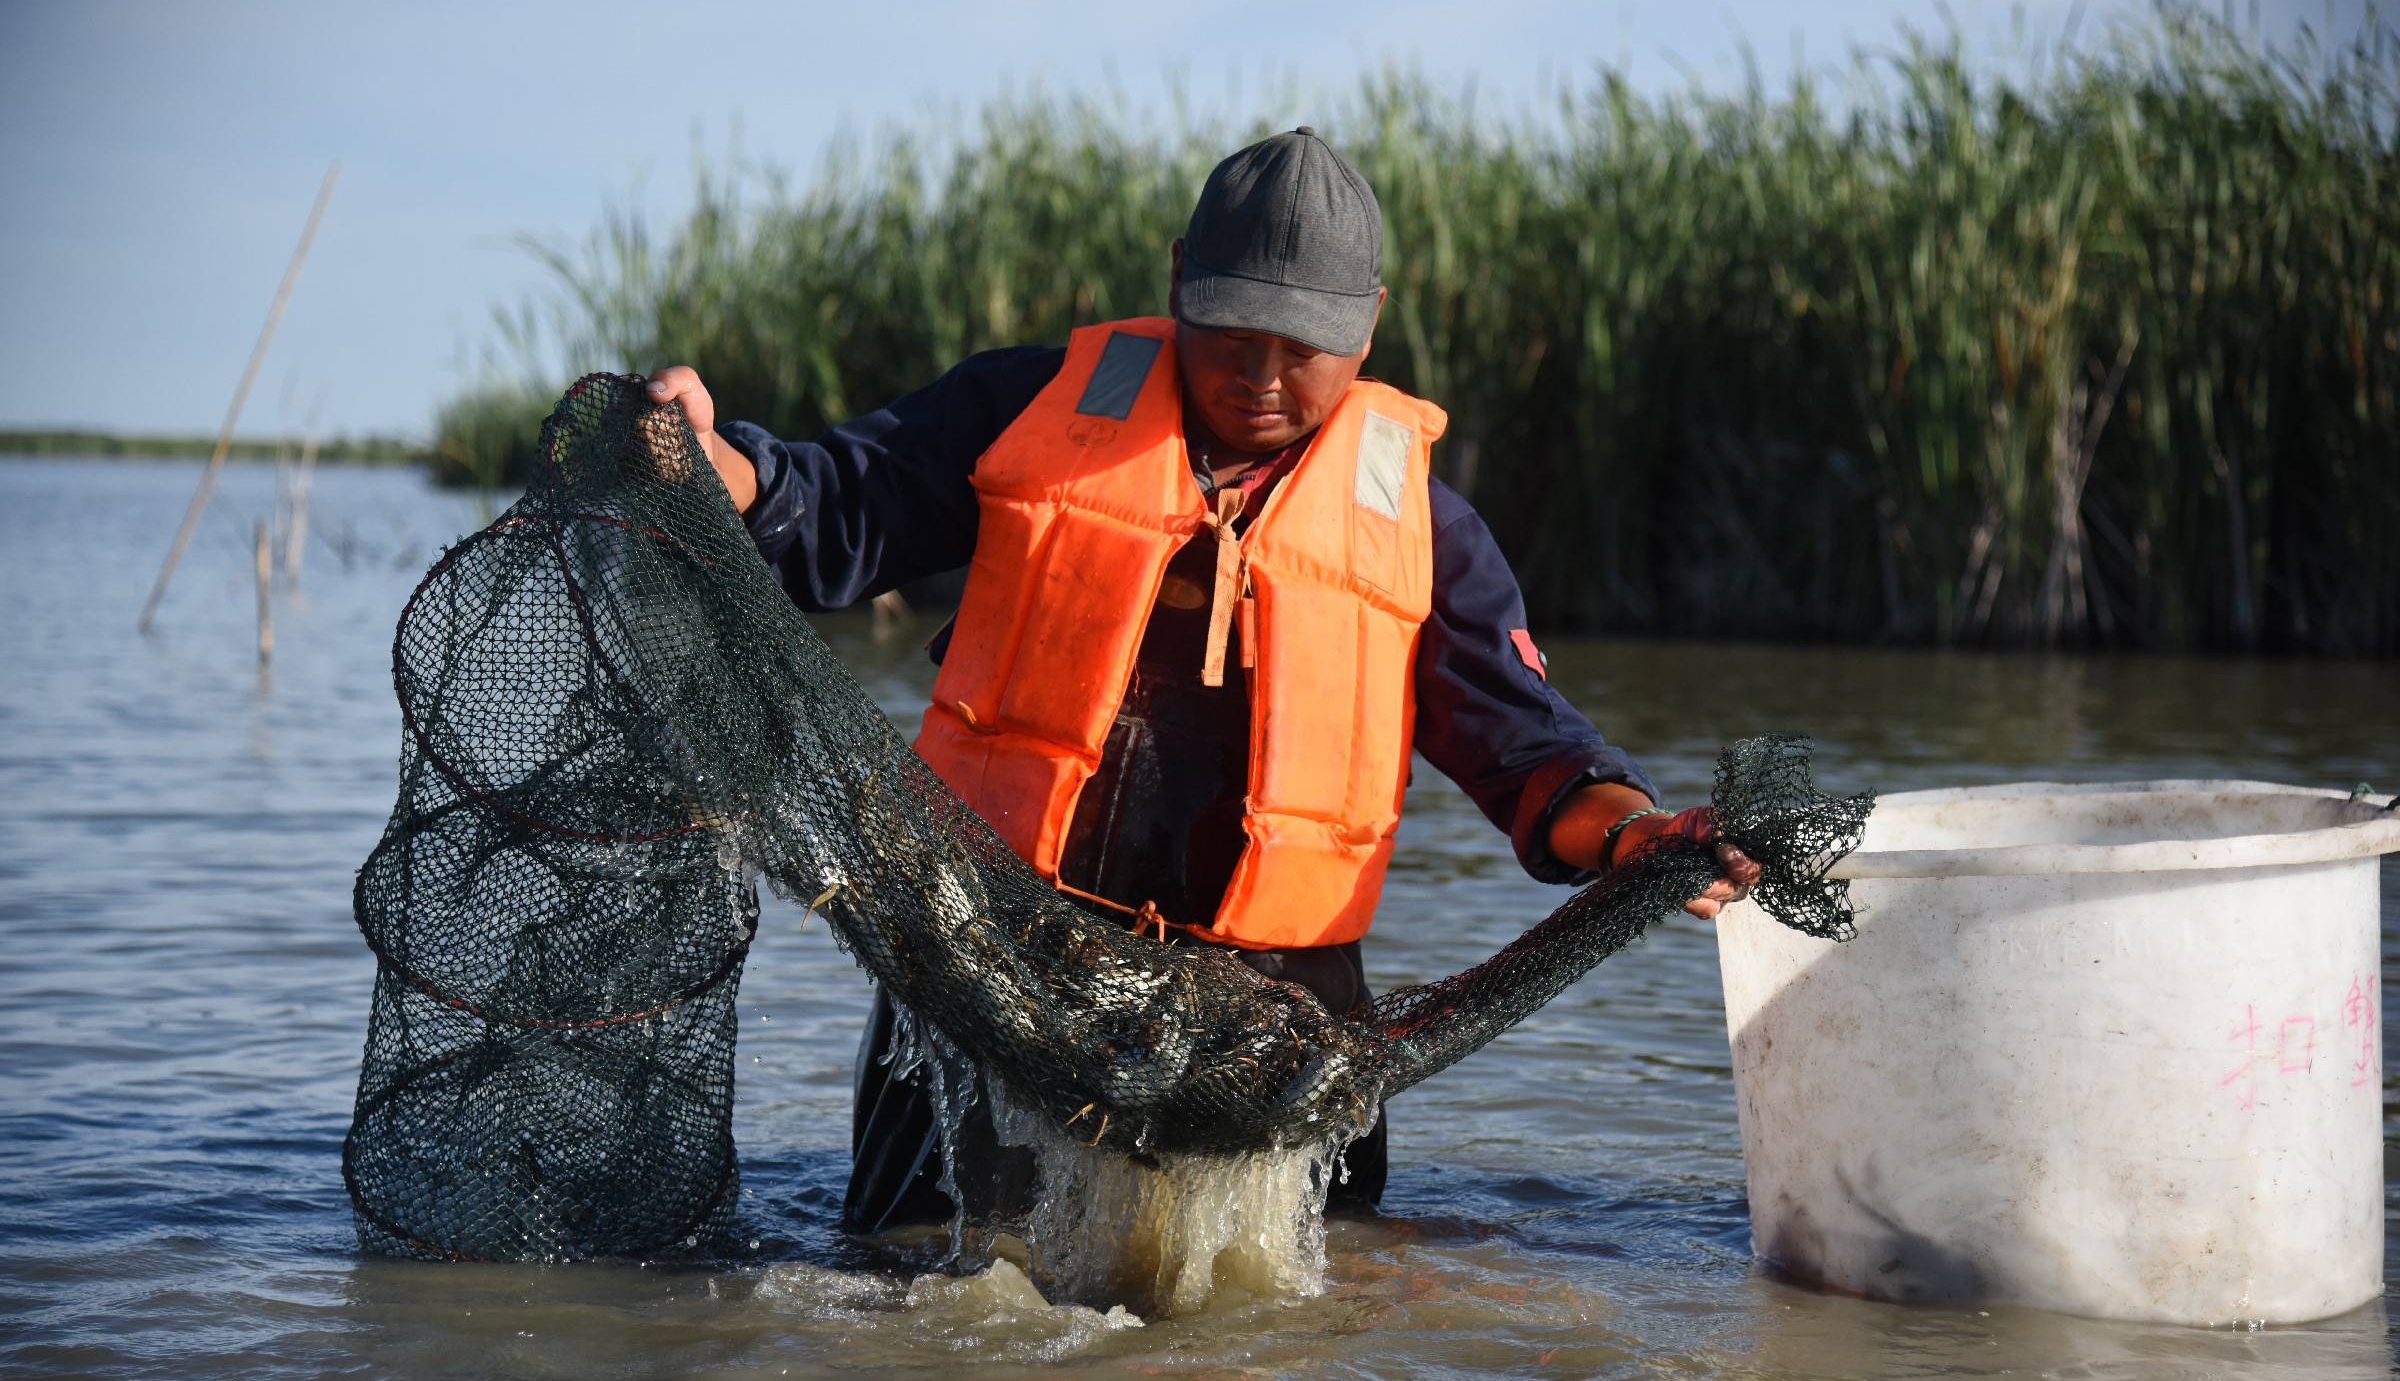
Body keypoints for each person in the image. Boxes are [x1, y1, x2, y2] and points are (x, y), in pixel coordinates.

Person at [646, 127, 1759, 1232]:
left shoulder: (1425, 529)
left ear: (1369, 321)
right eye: (1231, 327)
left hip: (1275, 1023)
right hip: (987, 973)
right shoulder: (1026, 409)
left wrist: (1635, 834)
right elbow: (837, 501)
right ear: (1181, 278)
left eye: (1304, 342)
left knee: (1282, 1359)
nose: (1260, 373)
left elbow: (1534, 754)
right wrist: (719, 465)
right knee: (918, 1304)